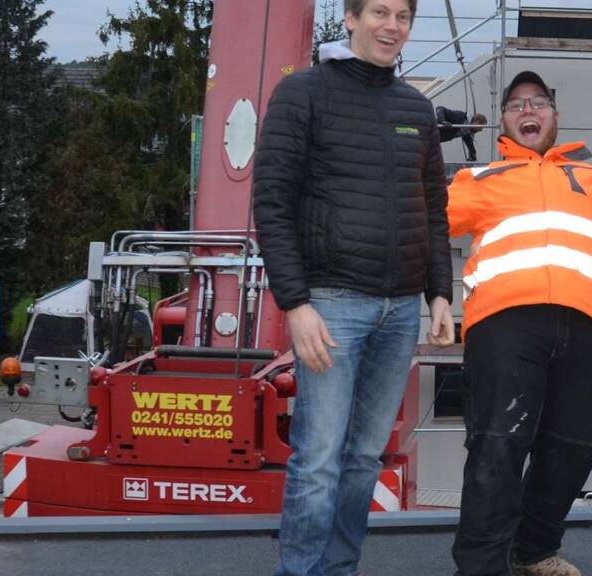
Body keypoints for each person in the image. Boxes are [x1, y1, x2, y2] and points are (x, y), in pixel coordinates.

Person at [252, 1, 455, 574]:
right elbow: (271, 203)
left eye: (403, 17)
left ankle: (340, 569)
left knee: (364, 458)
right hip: (331, 307)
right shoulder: (303, 93)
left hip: (400, 312)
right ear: (350, 17)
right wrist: (296, 304)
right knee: (318, 459)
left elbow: (433, 211)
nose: (392, 27)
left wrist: (439, 293)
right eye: (379, 12)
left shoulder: (415, 108)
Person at [447, 71, 592, 576]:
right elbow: (415, 216)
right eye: (516, 105)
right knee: (499, 442)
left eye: (539, 102)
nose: (528, 110)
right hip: (504, 324)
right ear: (503, 122)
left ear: (555, 115)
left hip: (589, 326)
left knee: (578, 441)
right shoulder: (478, 180)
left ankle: (532, 549)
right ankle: (481, 567)